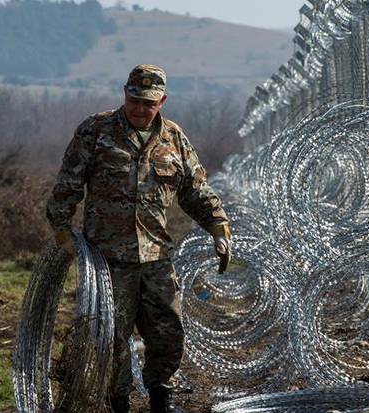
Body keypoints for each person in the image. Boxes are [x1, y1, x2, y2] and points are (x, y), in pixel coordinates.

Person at [46, 64, 230, 413]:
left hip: (156, 257)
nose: (140, 109)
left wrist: (218, 228)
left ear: (162, 101)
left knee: (167, 334)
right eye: (135, 100)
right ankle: (119, 404)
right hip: (108, 262)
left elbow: (195, 191)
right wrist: (61, 232)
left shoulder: (174, 139)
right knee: (110, 341)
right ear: (124, 94)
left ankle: (162, 399)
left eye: (149, 103)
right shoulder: (95, 131)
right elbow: (67, 186)